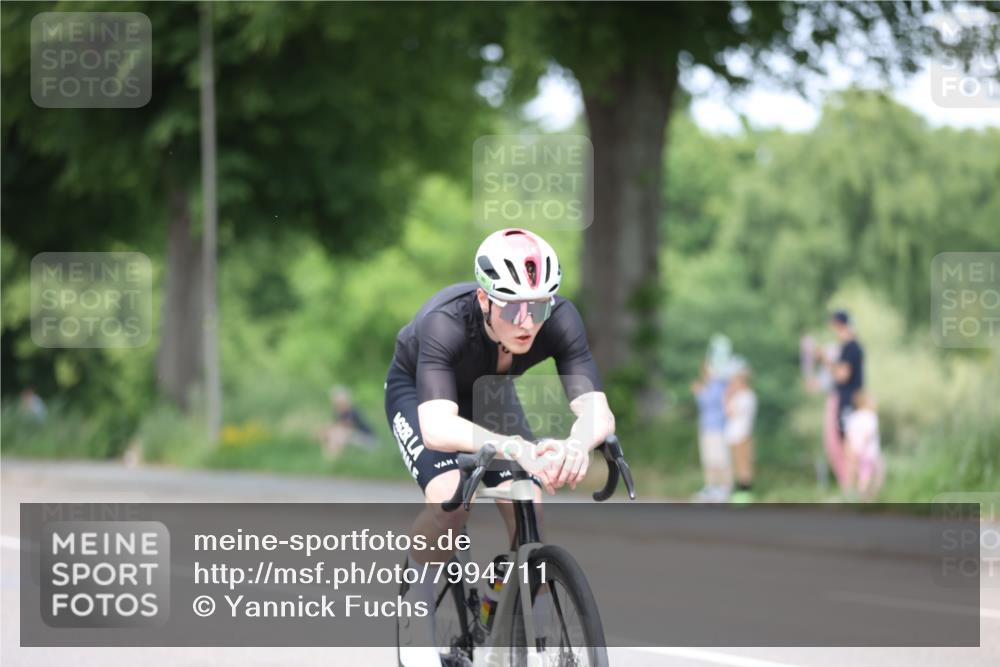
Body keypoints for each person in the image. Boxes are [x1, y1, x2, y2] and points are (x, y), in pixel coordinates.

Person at [384, 228, 615, 666]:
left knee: (529, 499)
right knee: (451, 501)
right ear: (485, 298)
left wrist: (574, 445)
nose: (527, 322)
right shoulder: (445, 322)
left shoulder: (560, 318)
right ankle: (416, 606)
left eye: (539, 305)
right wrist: (514, 446)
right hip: (422, 395)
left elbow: (597, 412)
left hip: (491, 394)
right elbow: (436, 427)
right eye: (511, 307)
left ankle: (504, 601)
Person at [691, 355, 730, 503]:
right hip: (706, 427)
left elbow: (711, 401)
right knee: (708, 459)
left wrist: (700, 392)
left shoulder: (720, 385)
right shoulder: (707, 385)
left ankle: (724, 488)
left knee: (721, 459)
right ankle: (711, 487)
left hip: (718, 427)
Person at [823, 310, 864, 436]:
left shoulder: (851, 348)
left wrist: (826, 360)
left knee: (846, 437)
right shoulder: (847, 348)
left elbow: (842, 376)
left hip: (848, 401)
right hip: (847, 400)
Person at [724, 357, 757, 504]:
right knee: (737, 464)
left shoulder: (747, 396)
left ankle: (746, 492)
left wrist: (728, 396)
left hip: (742, 434)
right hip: (733, 434)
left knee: (744, 464)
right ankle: (738, 490)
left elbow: (733, 412)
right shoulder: (737, 396)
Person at [843, 391, 885, 501]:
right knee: (878, 472)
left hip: (856, 452)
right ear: (866, 402)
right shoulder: (871, 416)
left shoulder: (853, 417)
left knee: (862, 474)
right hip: (869, 452)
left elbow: (848, 437)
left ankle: (855, 496)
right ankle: (869, 497)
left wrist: (850, 451)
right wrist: (862, 448)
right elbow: (869, 434)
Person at [322, 385, 375, 458]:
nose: (338, 406)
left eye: (340, 403)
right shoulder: (338, 413)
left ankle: (334, 460)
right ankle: (332, 460)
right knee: (332, 435)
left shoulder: (353, 411)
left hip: (367, 439)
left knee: (338, 435)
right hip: (354, 438)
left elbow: (347, 428)